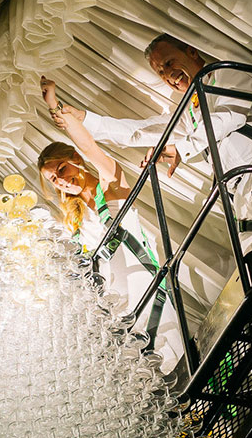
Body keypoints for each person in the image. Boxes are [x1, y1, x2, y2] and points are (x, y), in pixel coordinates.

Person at [53, 34, 252, 257]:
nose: (168, 75)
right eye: (161, 72)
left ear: (192, 52)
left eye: (170, 63)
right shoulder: (188, 108)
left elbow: (228, 118)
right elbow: (142, 131)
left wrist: (181, 148)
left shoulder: (228, 74)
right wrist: (86, 120)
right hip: (240, 189)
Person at [38, 77, 186, 376]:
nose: (63, 180)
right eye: (55, 180)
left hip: (146, 290)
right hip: (117, 311)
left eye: (63, 170)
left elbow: (90, 145)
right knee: (150, 378)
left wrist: (55, 105)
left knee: (177, 359)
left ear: (75, 160)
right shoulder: (74, 224)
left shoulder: (112, 189)